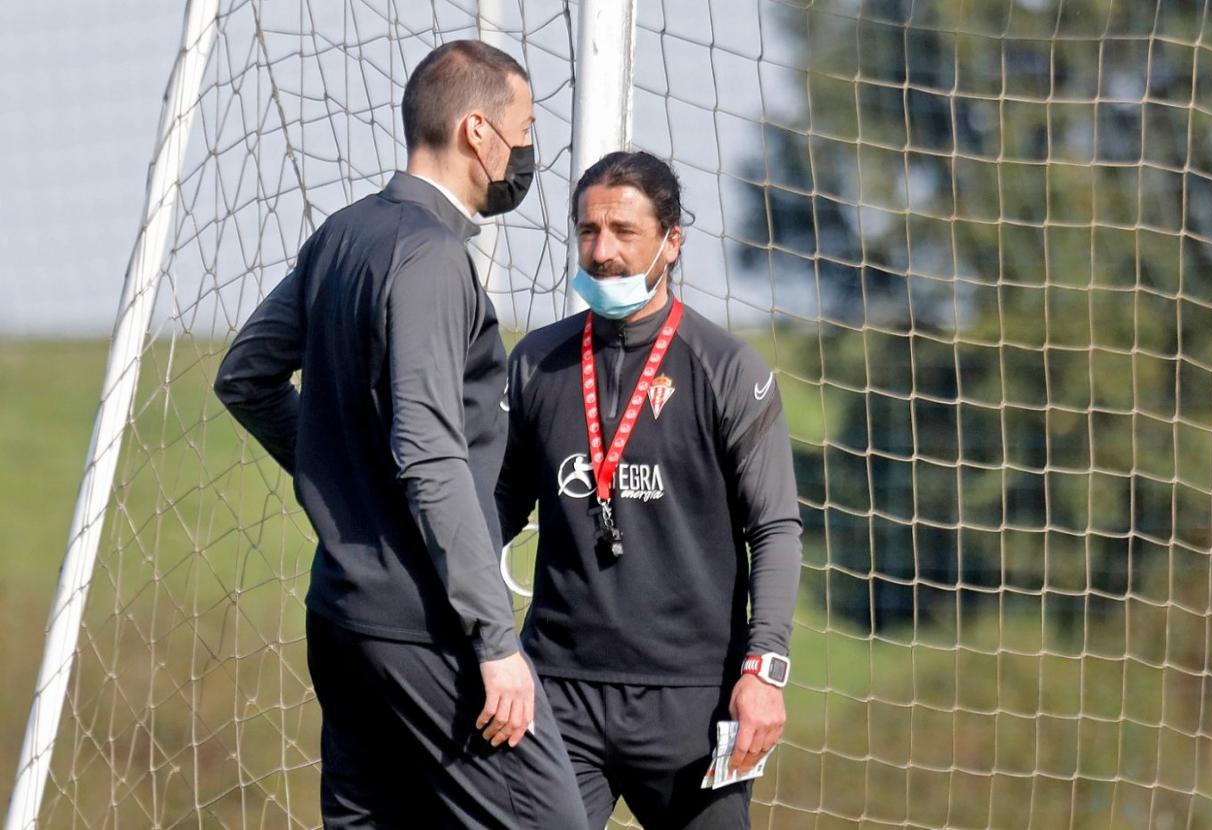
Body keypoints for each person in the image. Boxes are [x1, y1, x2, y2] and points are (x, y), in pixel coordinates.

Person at [214, 40, 587, 830]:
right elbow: (426, 452)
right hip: (425, 626)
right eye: (523, 129)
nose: (527, 151)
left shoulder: (344, 234)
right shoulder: (430, 255)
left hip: (342, 618)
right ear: (477, 132)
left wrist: (342, 476)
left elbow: (244, 377)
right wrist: (495, 642)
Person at [496, 150, 803, 829]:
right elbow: (489, 515)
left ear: (671, 241)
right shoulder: (535, 364)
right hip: (558, 695)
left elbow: (775, 529)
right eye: (588, 231)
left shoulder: (725, 368)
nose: (601, 251)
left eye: (623, 232)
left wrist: (765, 670)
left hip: (693, 705)